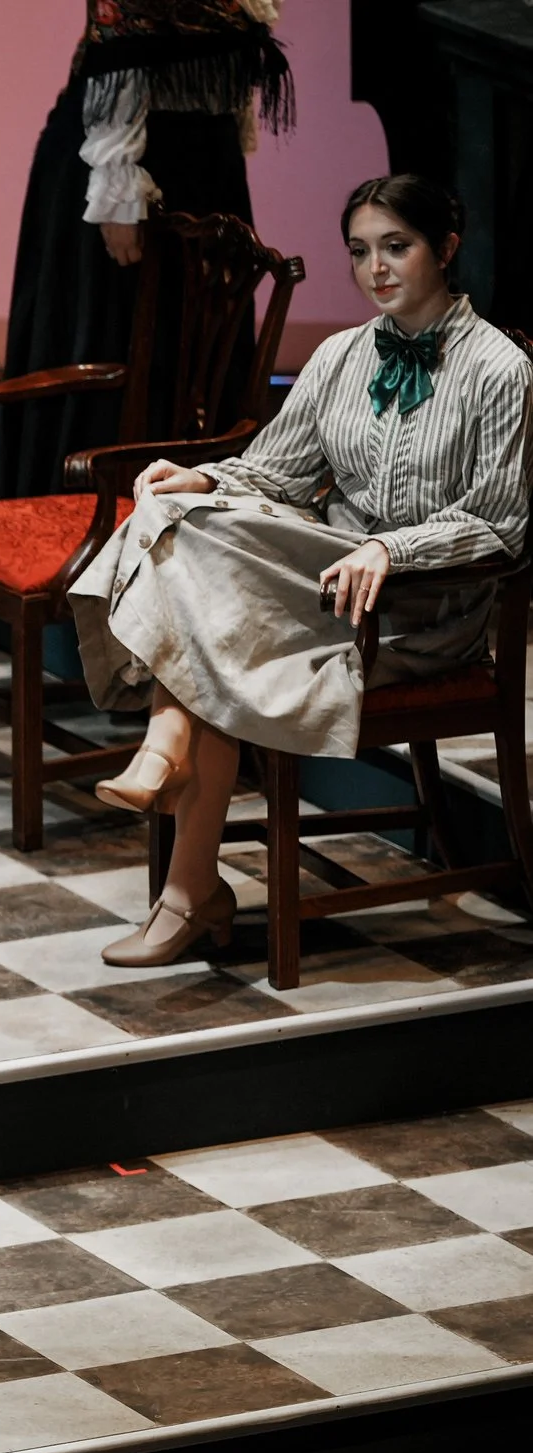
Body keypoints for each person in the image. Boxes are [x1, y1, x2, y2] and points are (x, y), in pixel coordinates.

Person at [71, 175, 530, 967]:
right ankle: (185, 857)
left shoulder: (499, 370)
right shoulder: (341, 354)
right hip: (326, 588)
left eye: (397, 247)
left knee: (203, 641)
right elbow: (278, 474)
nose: (376, 269)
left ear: (446, 250)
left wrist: (395, 548)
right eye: (360, 252)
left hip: (422, 613)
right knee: (178, 520)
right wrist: (208, 478)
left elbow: (502, 525)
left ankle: (178, 828)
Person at [0, 0, 293, 496]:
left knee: (205, 338)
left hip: (201, 152)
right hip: (127, 161)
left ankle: (204, 495)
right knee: (116, 330)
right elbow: (123, 38)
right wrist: (118, 190)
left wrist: (228, 149)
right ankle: (88, 502)